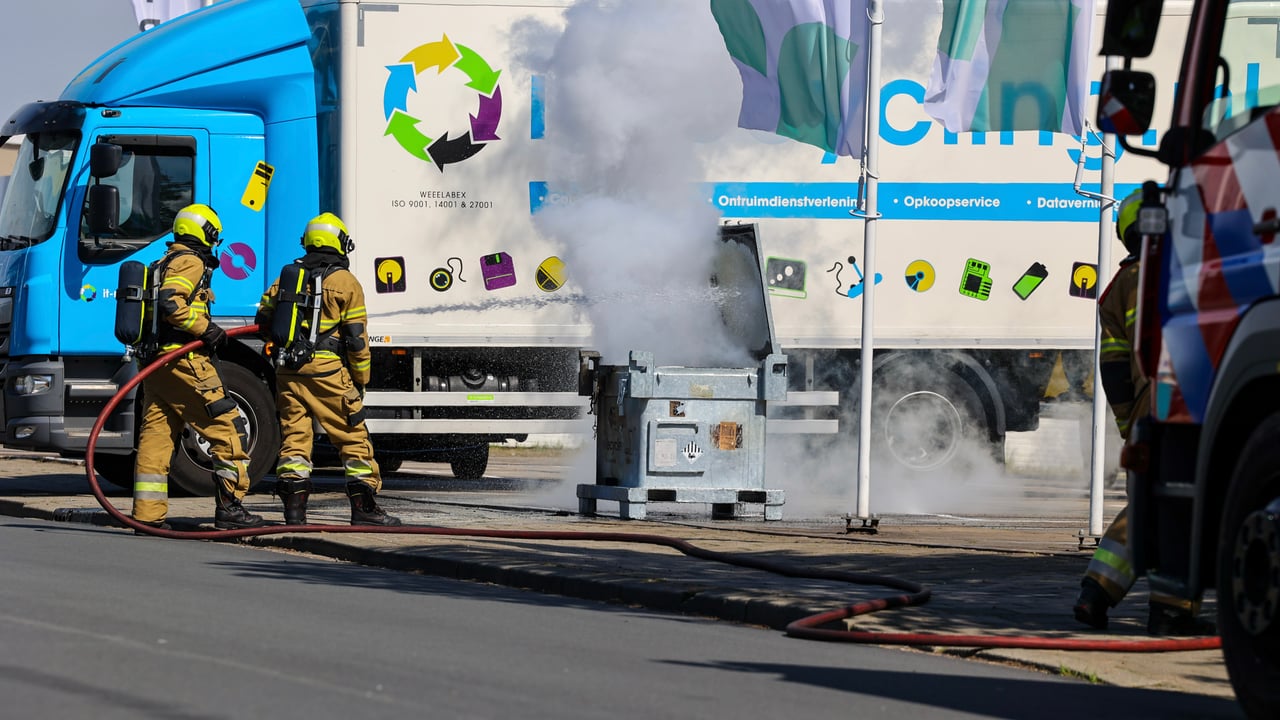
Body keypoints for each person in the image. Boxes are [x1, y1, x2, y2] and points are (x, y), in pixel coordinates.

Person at [1071, 190, 1211, 636]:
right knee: (1181, 507)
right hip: (1188, 400)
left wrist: (1127, 422)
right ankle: (1170, 612)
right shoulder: (1183, 270)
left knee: (1147, 505)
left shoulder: (1116, 290)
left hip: (1144, 410)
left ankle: (1096, 591)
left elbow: (1112, 367)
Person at [255, 212, 401, 526]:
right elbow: (357, 340)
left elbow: (263, 322)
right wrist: (361, 380)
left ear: (306, 242)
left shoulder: (286, 277)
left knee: (295, 438)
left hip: (288, 371)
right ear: (341, 243)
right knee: (352, 437)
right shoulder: (345, 282)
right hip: (327, 372)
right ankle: (364, 509)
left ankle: (294, 512)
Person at [132, 204, 266, 532]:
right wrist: (206, 330)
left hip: (158, 366)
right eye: (214, 236)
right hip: (185, 361)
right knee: (228, 427)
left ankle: (147, 515)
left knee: (157, 438)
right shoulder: (190, 261)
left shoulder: (163, 261)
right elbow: (171, 303)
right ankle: (230, 508)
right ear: (204, 233)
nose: (215, 243)